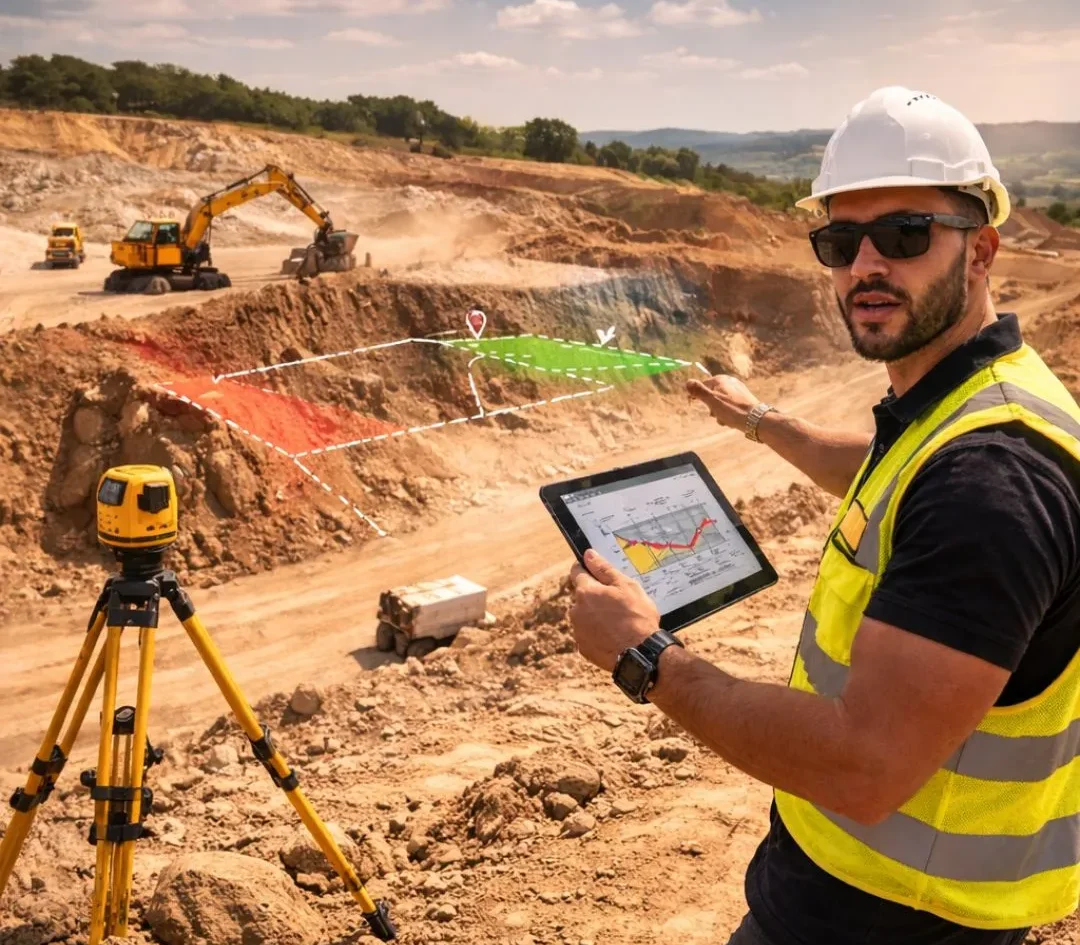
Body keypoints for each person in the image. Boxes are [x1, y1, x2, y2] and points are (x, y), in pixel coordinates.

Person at [566, 85, 1080, 945]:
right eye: (841, 242)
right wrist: (760, 422)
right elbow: (881, 468)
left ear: (982, 248)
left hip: (889, 915)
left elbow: (864, 764)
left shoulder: (990, 480)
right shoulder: (966, 403)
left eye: (905, 236)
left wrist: (646, 656)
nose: (866, 266)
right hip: (889, 899)